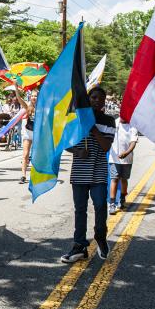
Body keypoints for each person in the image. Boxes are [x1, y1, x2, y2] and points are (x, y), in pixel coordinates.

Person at [61, 87, 115, 263]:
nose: (96, 101)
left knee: (100, 206)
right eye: (93, 97)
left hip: (98, 172)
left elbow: (106, 147)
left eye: (100, 98)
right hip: (79, 173)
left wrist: (94, 130)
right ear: (88, 99)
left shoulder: (109, 120)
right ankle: (79, 246)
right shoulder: (78, 118)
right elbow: (65, 142)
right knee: (80, 210)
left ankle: (100, 237)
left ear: (104, 101)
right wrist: (76, 151)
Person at [108, 117, 138, 215]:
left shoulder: (133, 126)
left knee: (124, 180)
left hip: (127, 160)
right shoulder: (115, 123)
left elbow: (133, 143)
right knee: (114, 179)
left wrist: (126, 153)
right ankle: (112, 203)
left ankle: (122, 199)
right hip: (114, 158)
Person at [14, 87, 37, 184]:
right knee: (25, 154)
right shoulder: (28, 106)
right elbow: (19, 99)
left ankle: (37, 175)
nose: (33, 97)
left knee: (36, 155)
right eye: (32, 96)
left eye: (35, 96)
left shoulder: (42, 106)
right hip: (28, 132)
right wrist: (16, 87)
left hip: (37, 133)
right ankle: (23, 175)